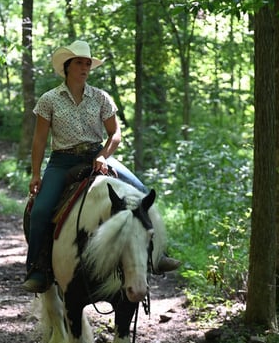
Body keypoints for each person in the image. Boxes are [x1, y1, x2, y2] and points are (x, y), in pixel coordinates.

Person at [23, 40, 180, 293]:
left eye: (87, 63)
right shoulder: (49, 100)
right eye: (79, 63)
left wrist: (104, 156)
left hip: (97, 154)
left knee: (142, 193)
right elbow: (40, 140)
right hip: (62, 161)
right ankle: (37, 268)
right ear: (67, 66)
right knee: (40, 211)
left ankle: (157, 255)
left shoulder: (101, 97)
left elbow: (115, 133)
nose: (85, 67)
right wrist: (35, 173)